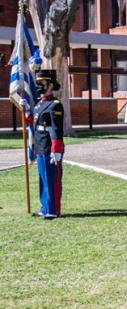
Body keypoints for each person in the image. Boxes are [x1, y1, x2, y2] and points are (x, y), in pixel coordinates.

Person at [33, 69, 65, 220]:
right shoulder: (40, 104)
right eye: (38, 82)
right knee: (42, 178)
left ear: (51, 84)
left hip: (49, 147)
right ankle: (44, 206)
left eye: (42, 82)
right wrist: (26, 110)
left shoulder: (55, 105)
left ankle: (53, 209)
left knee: (52, 179)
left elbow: (55, 129)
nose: (39, 85)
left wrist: (56, 149)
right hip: (40, 145)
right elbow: (36, 124)